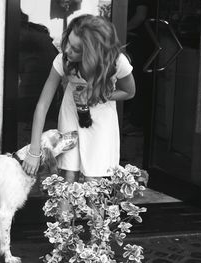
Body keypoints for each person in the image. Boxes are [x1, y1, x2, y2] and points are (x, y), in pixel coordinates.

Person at [22, 14, 135, 183]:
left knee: (94, 179)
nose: (67, 50)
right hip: (71, 112)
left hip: (102, 116)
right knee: (68, 175)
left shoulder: (117, 62)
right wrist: (34, 150)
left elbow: (129, 92)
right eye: (68, 43)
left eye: (76, 49)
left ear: (92, 53)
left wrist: (97, 95)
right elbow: (42, 105)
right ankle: (64, 211)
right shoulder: (63, 59)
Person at [123, 0, 150, 134]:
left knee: (136, 80)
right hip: (134, 41)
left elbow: (140, 16)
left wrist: (122, 29)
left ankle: (136, 122)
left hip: (140, 42)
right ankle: (132, 117)